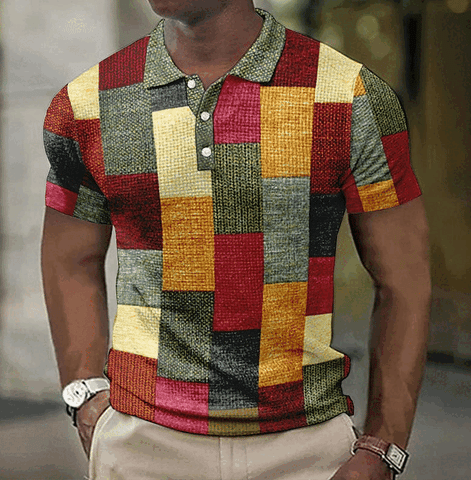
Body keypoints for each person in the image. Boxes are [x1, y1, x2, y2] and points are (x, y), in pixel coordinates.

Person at [41, 1, 431, 479]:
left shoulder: (349, 95)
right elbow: (71, 260)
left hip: (307, 449)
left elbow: (404, 280)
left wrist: (382, 447)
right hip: (141, 444)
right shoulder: (87, 103)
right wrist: (83, 393)